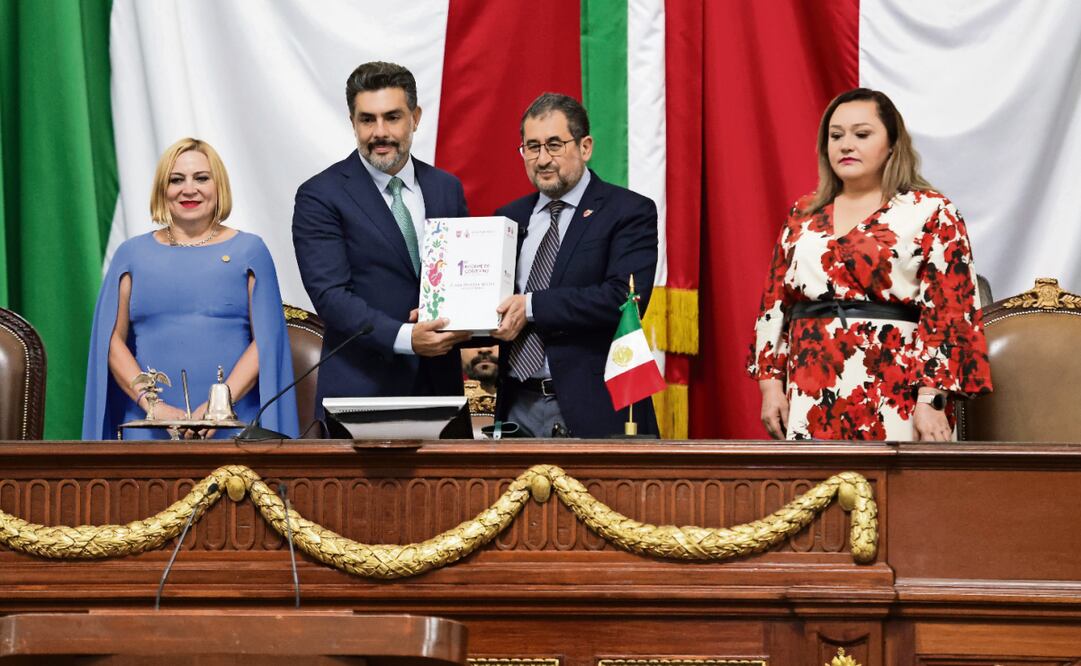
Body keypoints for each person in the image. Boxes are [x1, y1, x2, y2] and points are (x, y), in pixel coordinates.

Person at [748, 88, 992, 441]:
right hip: (809, 389)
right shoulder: (803, 214)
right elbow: (774, 304)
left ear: (892, 144)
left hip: (897, 392)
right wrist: (771, 387)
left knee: (895, 495)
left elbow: (951, 311)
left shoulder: (931, 211)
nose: (846, 145)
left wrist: (932, 399)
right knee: (816, 493)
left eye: (862, 134)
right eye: (836, 136)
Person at [83, 138, 299, 440]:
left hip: (232, 424)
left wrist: (218, 407)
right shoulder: (131, 255)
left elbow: (267, 341)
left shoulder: (250, 251)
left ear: (218, 186)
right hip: (149, 425)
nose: (189, 189)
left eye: (201, 178)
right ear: (162, 189)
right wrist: (153, 406)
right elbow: (110, 342)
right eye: (176, 180)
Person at [293, 62, 470, 414]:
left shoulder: (446, 188)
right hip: (360, 392)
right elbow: (331, 296)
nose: (380, 132)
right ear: (353, 122)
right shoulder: (320, 195)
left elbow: (459, 281)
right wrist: (406, 338)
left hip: (441, 389)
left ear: (415, 118)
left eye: (392, 117)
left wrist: (471, 317)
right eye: (367, 119)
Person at [492, 93, 659, 438]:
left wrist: (532, 306)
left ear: (585, 147)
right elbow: (494, 305)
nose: (542, 159)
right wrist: (449, 314)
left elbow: (623, 299)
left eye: (554, 145)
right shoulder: (507, 219)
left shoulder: (627, 212)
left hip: (594, 409)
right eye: (532, 147)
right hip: (515, 408)